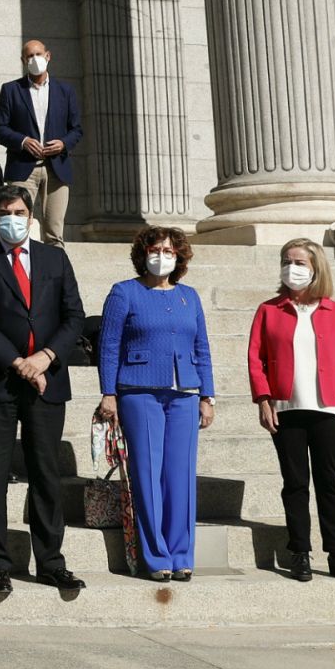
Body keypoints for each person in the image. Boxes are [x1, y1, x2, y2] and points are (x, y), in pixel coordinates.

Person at [0, 185, 87, 596]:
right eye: (3, 212)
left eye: (18, 211)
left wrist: (45, 357)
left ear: (30, 215)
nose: (11, 218)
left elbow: (74, 315)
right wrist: (18, 363)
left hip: (47, 381)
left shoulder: (55, 258)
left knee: (45, 474)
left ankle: (50, 561)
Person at [96, 227, 214, 582]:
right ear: (143, 253)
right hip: (138, 391)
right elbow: (109, 345)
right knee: (147, 473)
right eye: (155, 248)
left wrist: (207, 395)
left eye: (168, 250)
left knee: (180, 476)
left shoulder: (188, 297)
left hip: (183, 395)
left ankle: (181, 553)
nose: (161, 255)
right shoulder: (125, 293)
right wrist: (108, 393)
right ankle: (156, 554)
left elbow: (202, 349)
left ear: (179, 257)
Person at [248, 239, 335, 583]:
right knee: (295, 483)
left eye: (299, 261)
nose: (292, 268)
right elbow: (256, 359)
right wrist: (263, 399)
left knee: (330, 483)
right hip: (286, 410)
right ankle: (299, 551)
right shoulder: (269, 310)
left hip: (328, 409)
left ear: (316, 267)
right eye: (287, 261)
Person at [0, 40, 83, 247]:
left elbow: (76, 129)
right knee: (16, 225)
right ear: (23, 60)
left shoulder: (65, 91)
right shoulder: (11, 90)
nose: (35, 60)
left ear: (48, 56)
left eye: (38, 54)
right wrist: (22, 141)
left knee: (54, 231)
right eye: (29, 56)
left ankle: (55, 275)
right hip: (23, 168)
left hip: (56, 168)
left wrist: (63, 143)